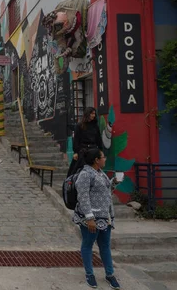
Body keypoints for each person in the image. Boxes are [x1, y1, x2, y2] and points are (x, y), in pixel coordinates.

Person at [73, 148, 121, 289]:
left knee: (105, 246)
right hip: (91, 218)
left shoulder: (100, 173)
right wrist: (89, 218)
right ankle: (89, 274)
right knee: (88, 245)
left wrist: (114, 183)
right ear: (96, 160)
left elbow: (105, 192)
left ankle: (110, 274)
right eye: (103, 157)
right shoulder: (85, 174)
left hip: (104, 217)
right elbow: (82, 197)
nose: (105, 159)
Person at [67, 107, 103, 177]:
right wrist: (76, 152)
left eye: (94, 114)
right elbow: (76, 140)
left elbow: (98, 139)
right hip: (83, 151)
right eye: (92, 113)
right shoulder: (79, 125)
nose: (93, 115)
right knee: (78, 171)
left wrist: (101, 150)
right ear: (87, 114)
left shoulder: (95, 126)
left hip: (94, 150)